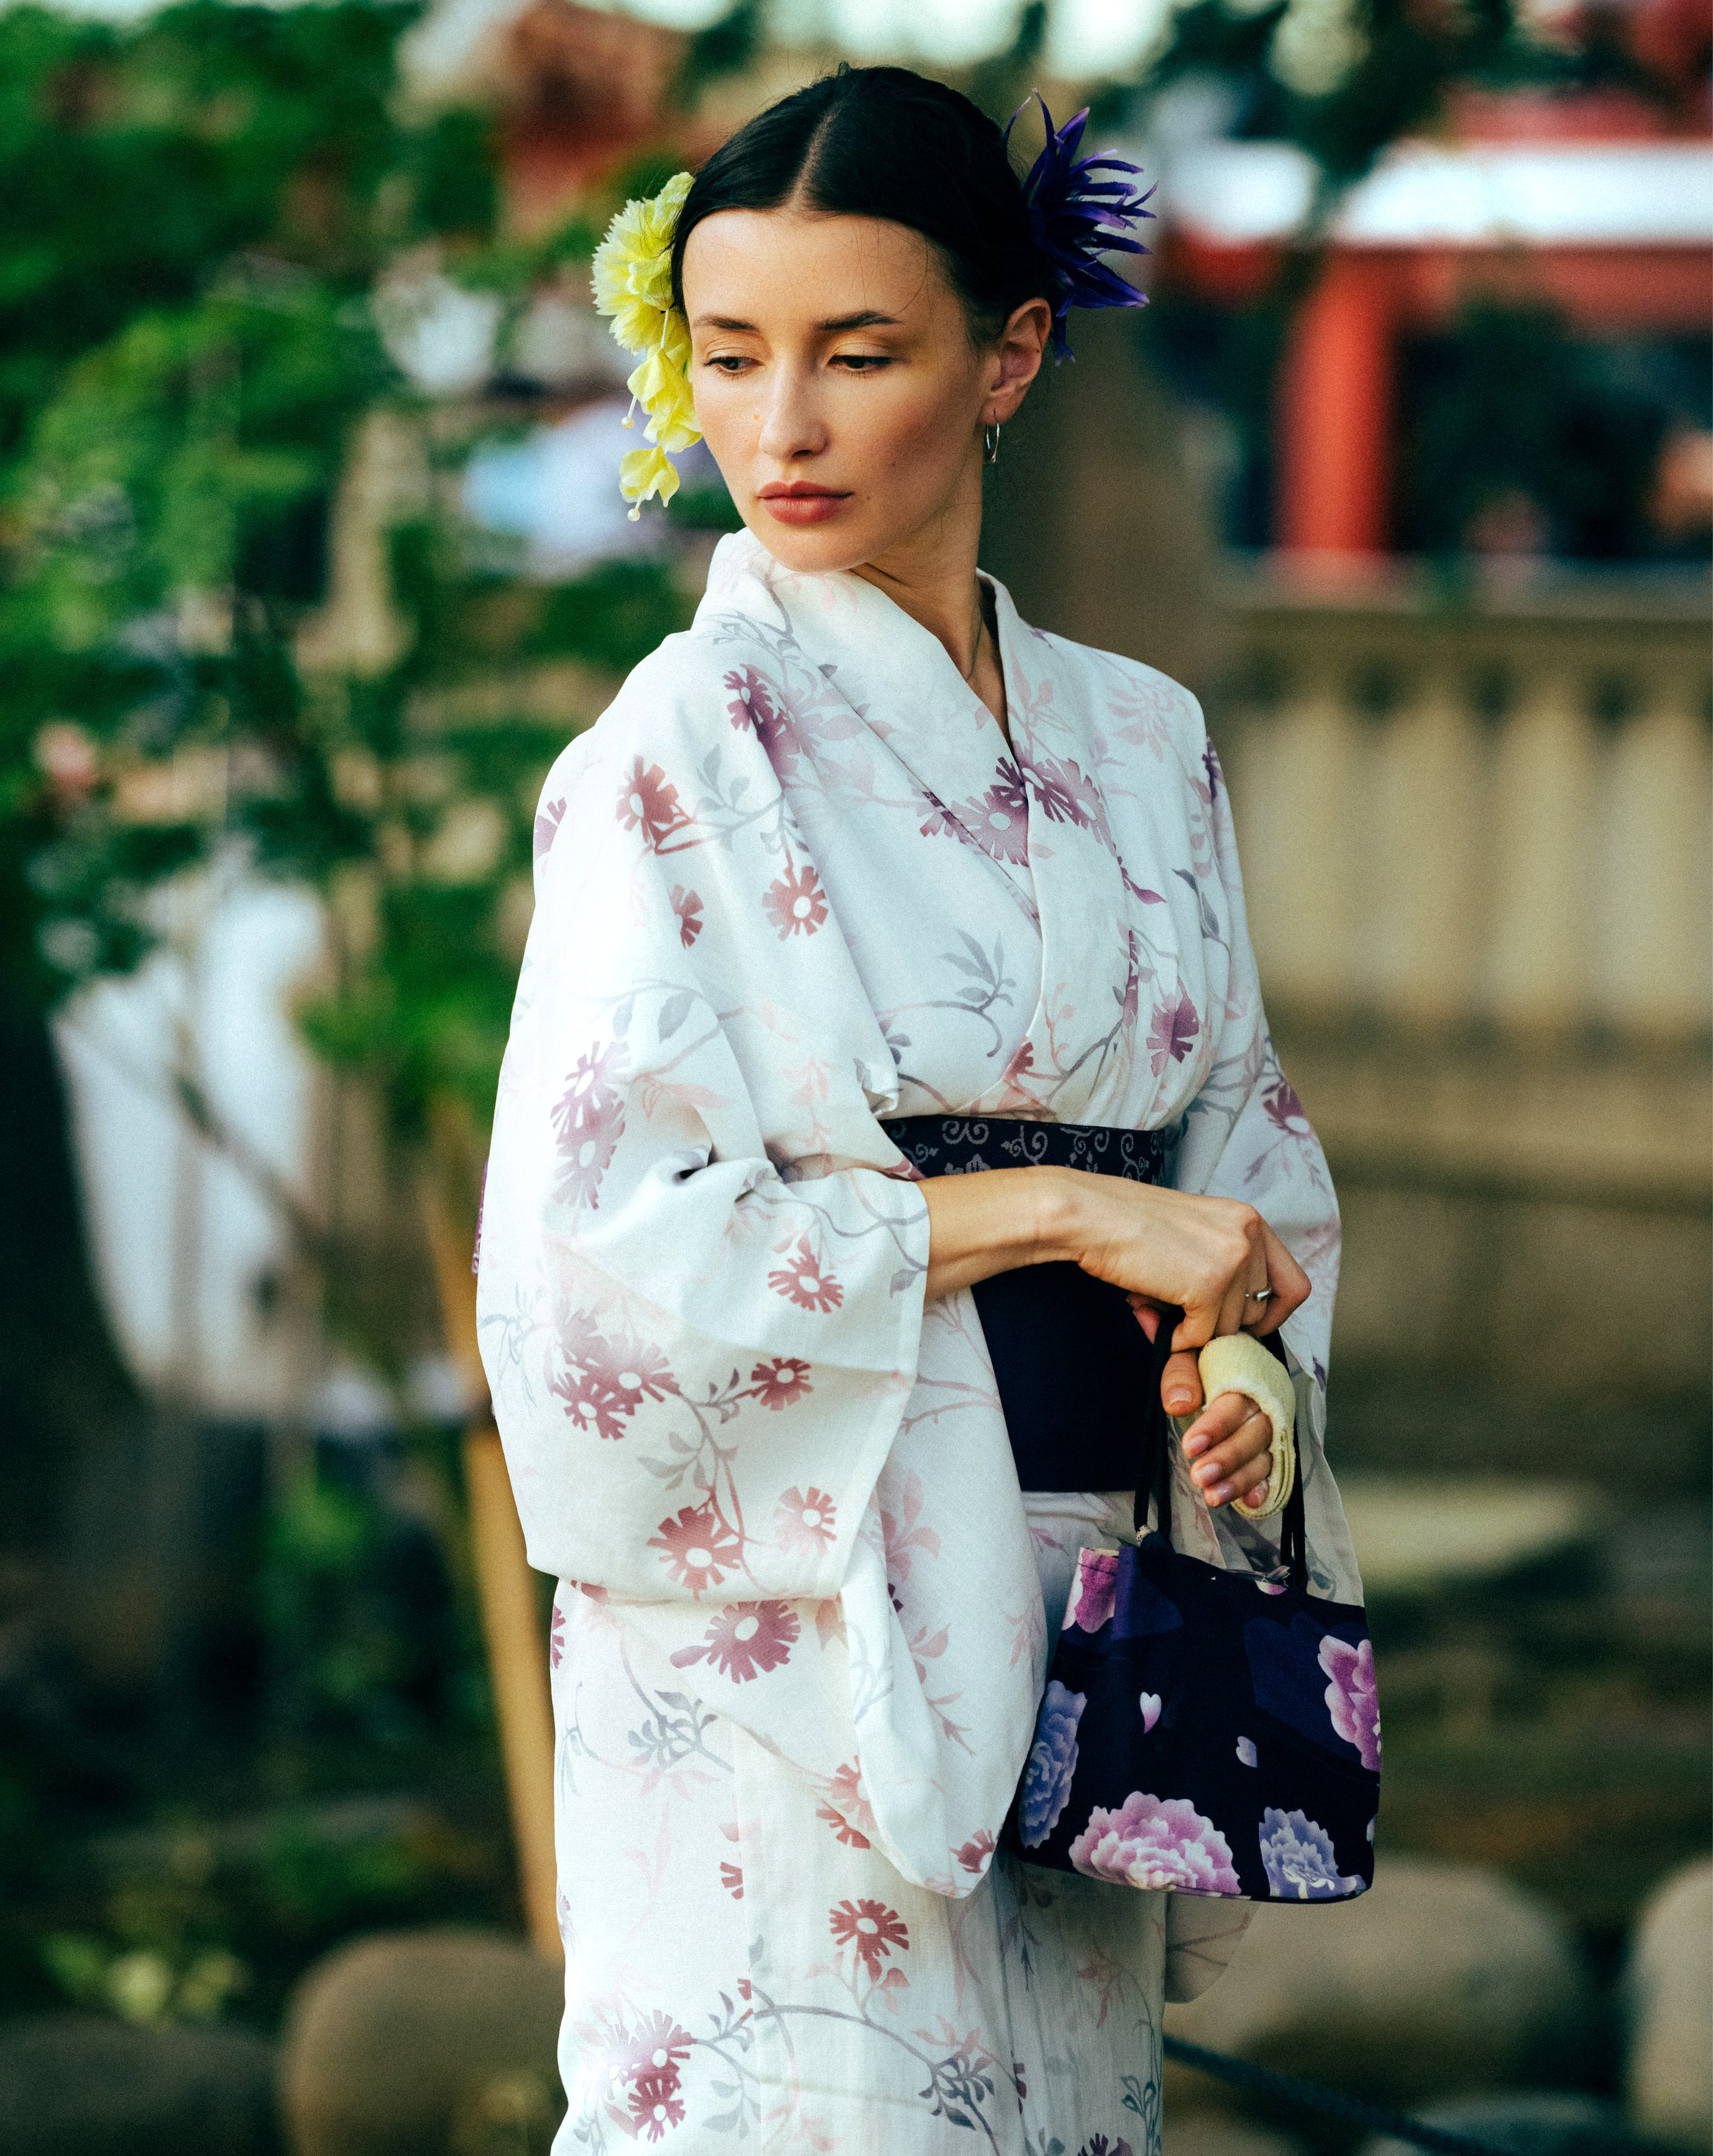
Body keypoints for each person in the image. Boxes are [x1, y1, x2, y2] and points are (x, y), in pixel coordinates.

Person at [476, 63, 1361, 2154]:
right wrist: (1070, 1214)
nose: (775, 426)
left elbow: (1238, 1152)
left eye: (857, 353)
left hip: (1093, 1607)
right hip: (802, 1636)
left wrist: (1241, 1354)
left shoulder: (1141, 744)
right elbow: (608, 1261)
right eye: (732, 355)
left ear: (1009, 356)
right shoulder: (674, 755)